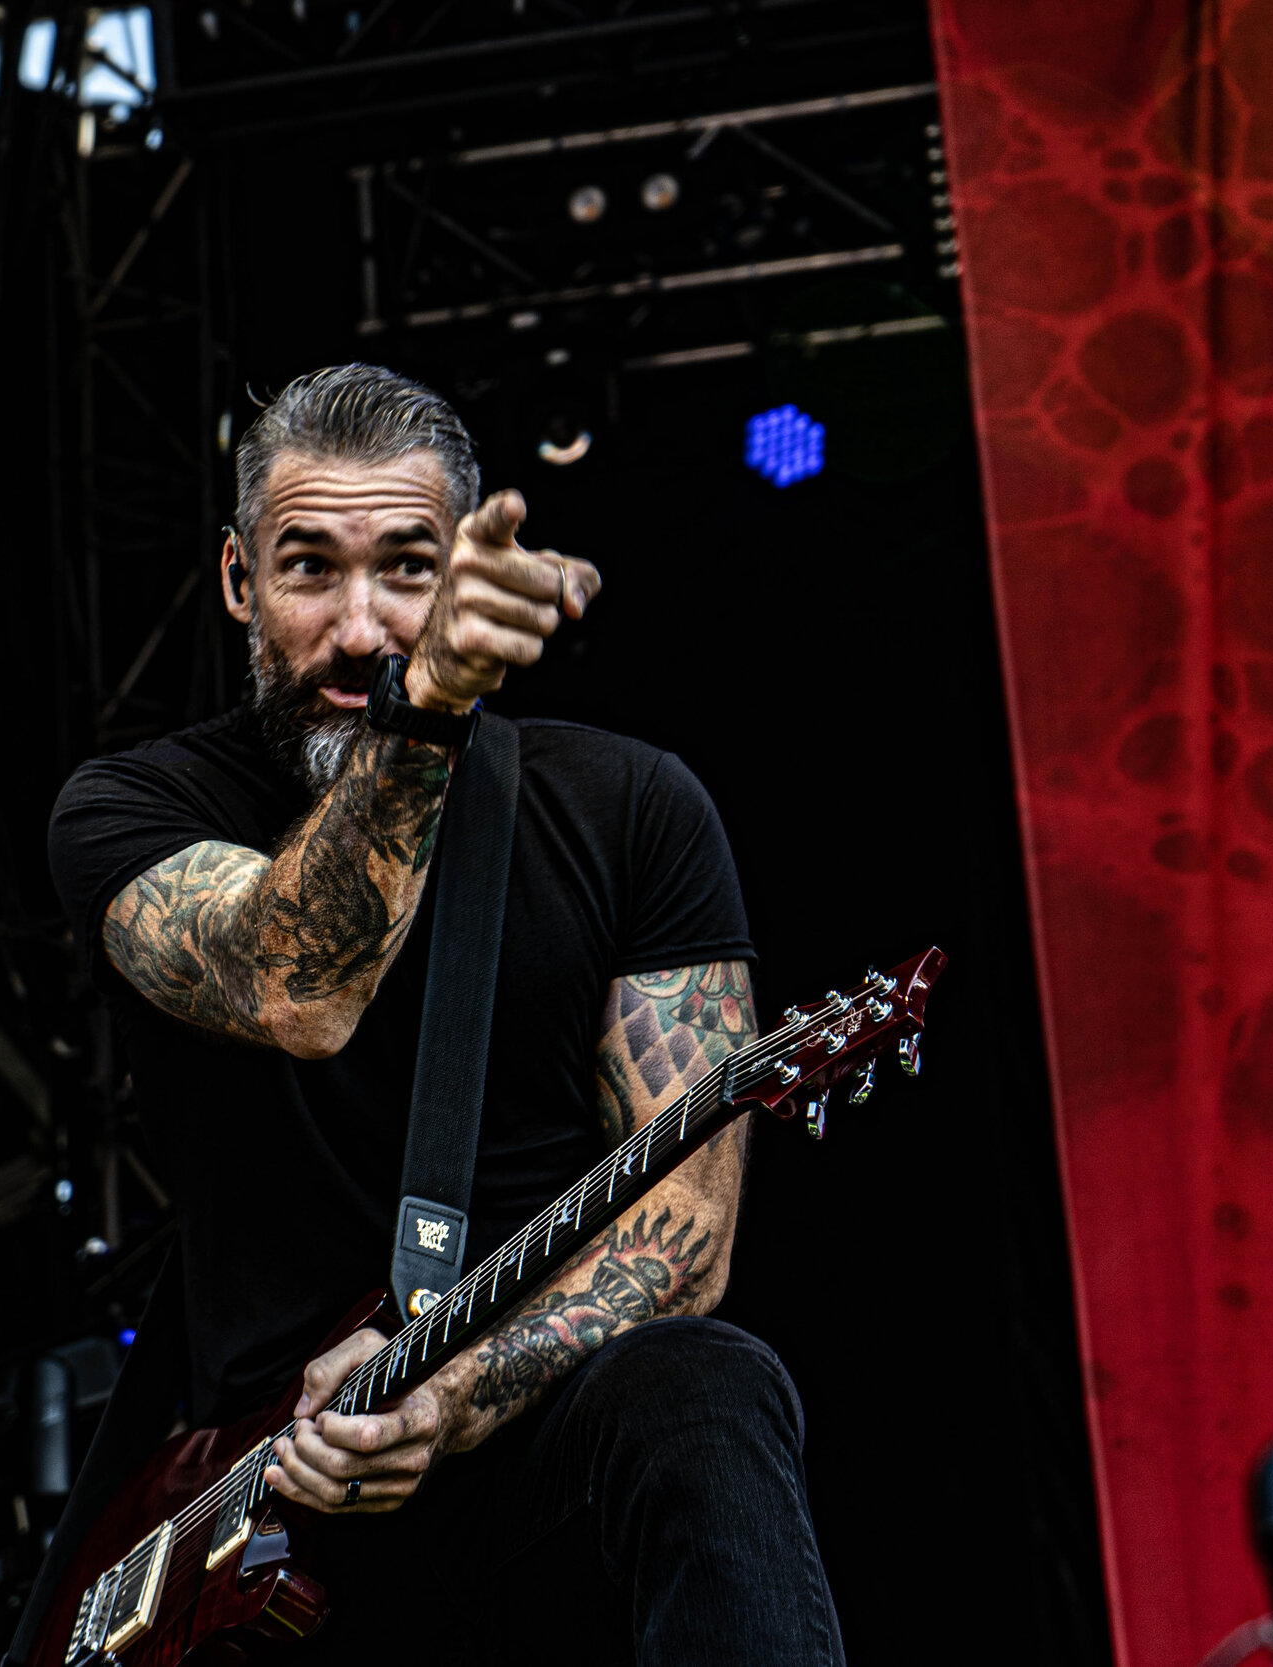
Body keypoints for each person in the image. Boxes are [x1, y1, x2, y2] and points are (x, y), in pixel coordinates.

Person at [47, 365, 843, 1664]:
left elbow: (684, 1236)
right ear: (242, 582)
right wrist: (422, 720)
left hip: (524, 1453)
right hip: (262, 1514)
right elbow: (296, 987)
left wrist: (455, 1394)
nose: (362, 628)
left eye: (408, 570)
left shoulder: (632, 811)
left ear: (466, 580)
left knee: (706, 1385)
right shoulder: (129, 809)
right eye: (311, 569)